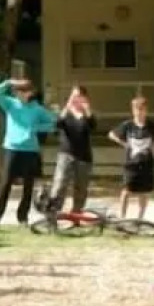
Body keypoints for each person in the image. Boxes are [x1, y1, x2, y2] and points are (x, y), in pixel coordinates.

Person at [0, 78, 57, 226]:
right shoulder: (10, 104)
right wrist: (9, 82)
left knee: (28, 185)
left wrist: (37, 128)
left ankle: (23, 217)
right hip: (12, 148)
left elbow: (53, 123)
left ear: (30, 93)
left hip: (30, 150)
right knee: (5, 183)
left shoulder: (37, 109)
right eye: (16, 90)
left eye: (21, 91)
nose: (18, 93)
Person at [109, 96, 154, 218]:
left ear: (146, 110)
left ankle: (140, 218)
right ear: (133, 110)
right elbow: (111, 134)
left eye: (142, 109)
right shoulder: (128, 125)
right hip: (131, 164)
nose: (140, 112)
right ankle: (122, 216)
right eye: (137, 109)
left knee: (144, 192)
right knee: (126, 190)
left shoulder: (151, 126)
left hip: (147, 163)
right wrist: (123, 143)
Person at [48, 85, 96, 213]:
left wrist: (87, 110)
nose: (75, 99)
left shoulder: (87, 115)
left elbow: (92, 126)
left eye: (78, 96)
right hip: (66, 154)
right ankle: (53, 212)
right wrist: (66, 108)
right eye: (73, 95)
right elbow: (57, 124)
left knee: (81, 188)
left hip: (84, 156)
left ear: (84, 98)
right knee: (59, 184)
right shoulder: (66, 114)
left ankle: (76, 214)